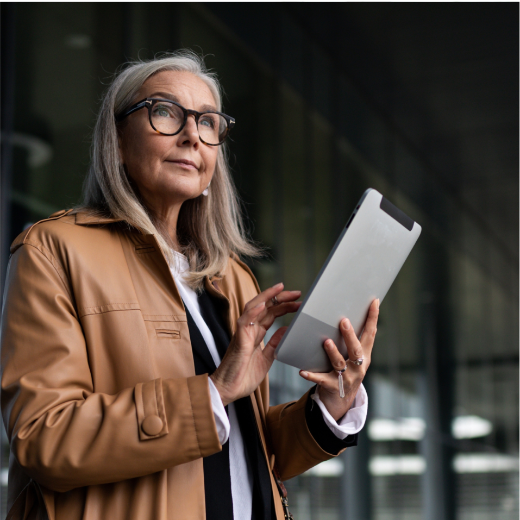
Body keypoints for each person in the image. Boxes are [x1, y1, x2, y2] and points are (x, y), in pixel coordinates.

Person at [0, 51, 379, 520]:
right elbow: (45, 438)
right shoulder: (54, 250)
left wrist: (329, 407)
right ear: (116, 140)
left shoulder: (231, 276)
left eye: (207, 122)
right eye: (164, 112)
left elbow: (248, 449)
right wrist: (212, 393)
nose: (190, 135)